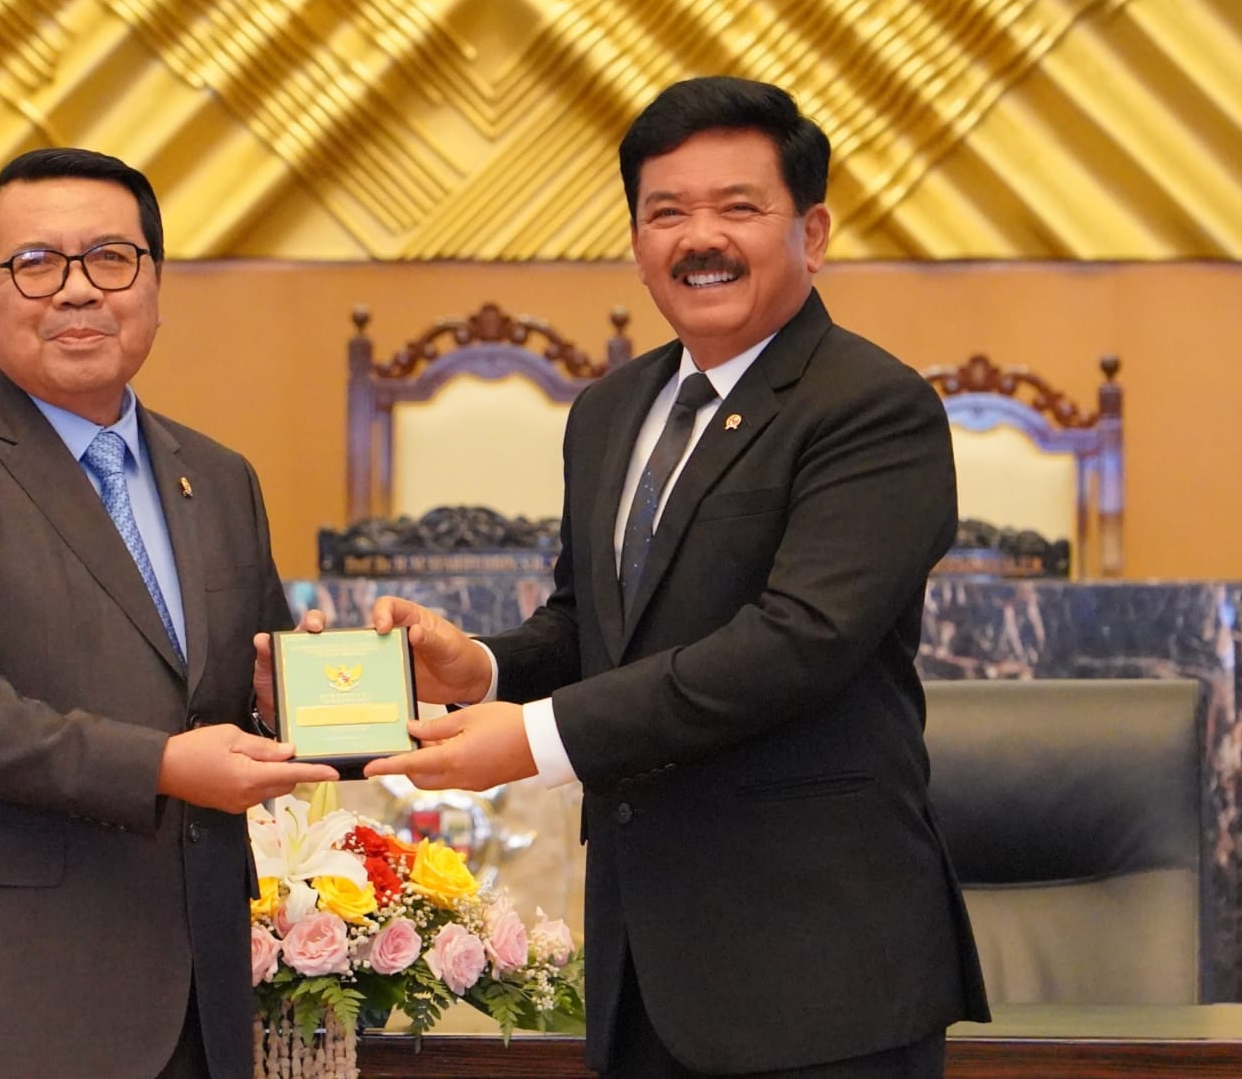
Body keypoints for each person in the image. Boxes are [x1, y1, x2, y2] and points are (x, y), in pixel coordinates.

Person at [364, 77, 989, 1077]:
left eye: (738, 207)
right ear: (637, 240)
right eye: (667, 213)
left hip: (819, 973)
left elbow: (797, 642)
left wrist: (535, 738)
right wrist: (479, 667)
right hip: (644, 967)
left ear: (812, 232)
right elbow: (594, 624)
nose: (700, 239)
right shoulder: (611, 409)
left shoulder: (873, 407)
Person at [0, 147, 338, 1079]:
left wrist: (285, 697)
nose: (78, 290)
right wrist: (161, 766)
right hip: (1, 1002)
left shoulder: (218, 477)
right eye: (35, 264)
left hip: (195, 998)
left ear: (154, 285)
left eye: (111, 258)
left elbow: (234, 696)